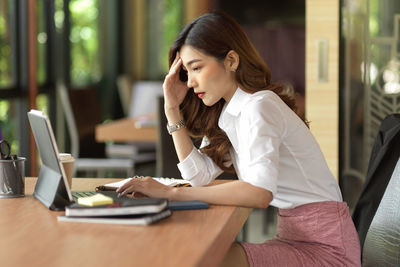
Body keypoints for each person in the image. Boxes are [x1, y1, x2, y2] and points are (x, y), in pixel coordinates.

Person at [117, 11, 361, 266]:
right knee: (202, 255)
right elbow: (198, 176)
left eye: (197, 68)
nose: (189, 83)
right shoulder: (229, 113)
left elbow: (259, 193)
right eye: (186, 73)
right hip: (294, 237)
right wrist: (171, 110)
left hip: (327, 249)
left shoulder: (259, 107)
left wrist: (171, 194)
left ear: (231, 60)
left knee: (209, 258)